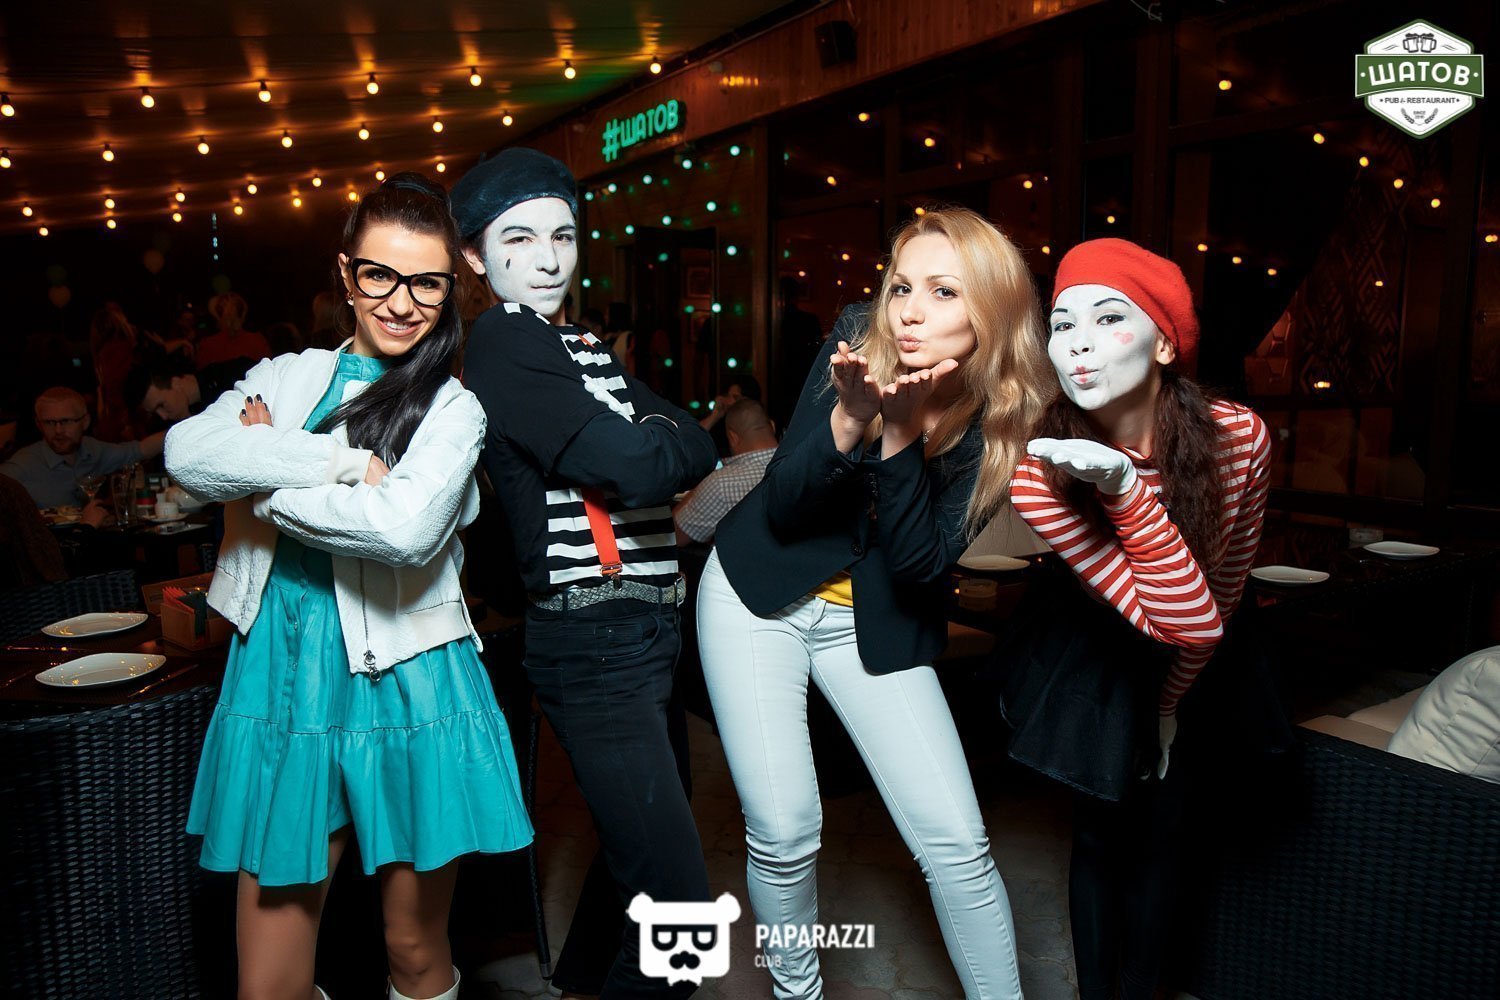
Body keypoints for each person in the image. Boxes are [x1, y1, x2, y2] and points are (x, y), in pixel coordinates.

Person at [165, 173, 532, 1000]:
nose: (402, 302)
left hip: (410, 678)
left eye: (427, 282)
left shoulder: (453, 409)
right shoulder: (288, 376)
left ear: (452, 287)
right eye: (379, 275)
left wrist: (263, 479)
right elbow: (188, 455)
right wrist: (336, 462)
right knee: (268, 982)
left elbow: (401, 531)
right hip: (282, 675)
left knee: (413, 949)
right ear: (346, 273)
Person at [698, 207, 1054, 999]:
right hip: (758, 597)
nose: (910, 311)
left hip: (875, 619)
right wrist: (852, 417)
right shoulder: (857, 341)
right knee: (785, 830)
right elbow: (784, 500)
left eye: (943, 291)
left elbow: (921, 565)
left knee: (959, 844)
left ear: (992, 309)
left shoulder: (1000, 417)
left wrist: (899, 440)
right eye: (902, 287)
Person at [451, 146, 716, 999]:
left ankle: (579, 981)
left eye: (562, 236)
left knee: (642, 847)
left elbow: (697, 437)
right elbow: (640, 467)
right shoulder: (505, 341)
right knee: (680, 912)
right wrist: (658, 444)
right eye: (519, 238)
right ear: (474, 256)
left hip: (644, 626)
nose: (548, 258)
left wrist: (662, 443)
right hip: (596, 634)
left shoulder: (575, 345)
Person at [1001, 238, 1273, 1000]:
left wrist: (1171, 706)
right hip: (1100, 645)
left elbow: (1217, 597)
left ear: (1163, 345)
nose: (1078, 342)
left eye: (1109, 317)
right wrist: (1123, 490)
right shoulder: (1039, 470)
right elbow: (1170, 619)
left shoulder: (1239, 437)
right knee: (1098, 830)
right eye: (1062, 324)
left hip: (1207, 649)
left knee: (1168, 830)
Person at [0, 387, 164, 508]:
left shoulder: (92, 449)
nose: (58, 431)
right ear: (38, 425)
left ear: (85, 422)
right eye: (49, 423)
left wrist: (180, 428)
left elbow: (141, 450)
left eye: (66, 421)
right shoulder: (23, 465)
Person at [673, 398, 777, 546]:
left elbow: (676, 535)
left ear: (733, 438)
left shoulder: (722, 484)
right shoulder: (800, 465)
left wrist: (700, 488)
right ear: (772, 426)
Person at [123, 356, 256, 426]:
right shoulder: (177, 425)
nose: (163, 416)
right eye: (155, 413)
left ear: (176, 383)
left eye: (161, 405)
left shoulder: (236, 375)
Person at [196, 291, 271, 370]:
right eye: (227, 315)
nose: (231, 319)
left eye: (234, 311)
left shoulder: (256, 340)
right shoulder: (208, 345)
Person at [697, 373, 763, 458]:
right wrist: (715, 416)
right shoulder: (720, 426)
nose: (729, 401)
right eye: (728, 396)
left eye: (736, 397)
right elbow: (692, 438)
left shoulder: (759, 425)